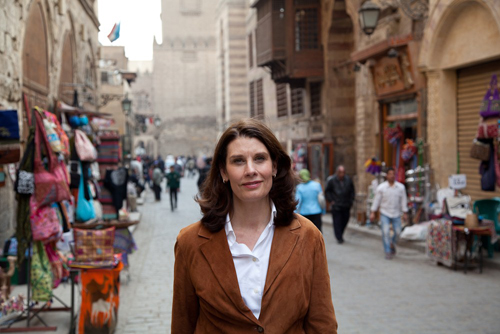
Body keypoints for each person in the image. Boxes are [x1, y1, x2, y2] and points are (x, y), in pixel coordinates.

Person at [172, 118, 337, 333]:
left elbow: (321, 324)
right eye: (238, 161)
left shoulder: (308, 236)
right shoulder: (190, 242)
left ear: (274, 166)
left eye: (260, 159)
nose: (250, 170)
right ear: (223, 171)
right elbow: (183, 325)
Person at [370, 167, 409, 260]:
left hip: (396, 213)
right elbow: (376, 201)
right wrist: (373, 212)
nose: (392, 176)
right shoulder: (381, 188)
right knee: (385, 232)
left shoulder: (400, 187)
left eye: (393, 174)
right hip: (385, 213)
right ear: (387, 176)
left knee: (398, 232)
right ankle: (388, 251)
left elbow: (403, 200)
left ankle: (392, 243)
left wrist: (405, 212)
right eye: (390, 174)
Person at [325, 165, 355, 244]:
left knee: (345, 220)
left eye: (343, 172)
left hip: (346, 204)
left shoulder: (348, 180)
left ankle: (340, 233)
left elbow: (352, 191)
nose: (341, 174)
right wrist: (331, 200)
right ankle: (339, 236)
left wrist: (351, 201)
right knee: (337, 222)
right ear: (337, 172)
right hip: (336, 205)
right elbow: (327, 191)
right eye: (340, 172)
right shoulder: (332, 180)